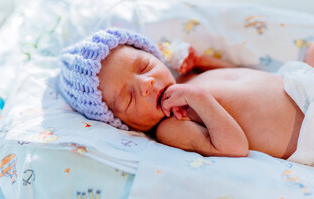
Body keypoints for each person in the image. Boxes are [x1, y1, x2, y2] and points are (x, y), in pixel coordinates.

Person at [58, 28, 314, 164]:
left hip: (296, 81)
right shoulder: (171, 127)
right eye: (129, 98)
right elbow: (234, 148)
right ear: (120, 122)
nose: (146, 83)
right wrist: (200, 99)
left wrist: (203, 61)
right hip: (304, 126)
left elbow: (237, 75)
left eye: (144, 66)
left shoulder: (184, 79)